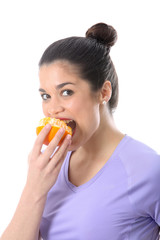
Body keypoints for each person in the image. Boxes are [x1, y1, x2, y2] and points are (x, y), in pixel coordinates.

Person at [1, 22, 160, 240]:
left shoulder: (147, 169)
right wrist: (33, 189)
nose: (53, 109)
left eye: (66, 92)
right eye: (45, 96)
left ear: (103, 92)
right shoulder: (50, 168)